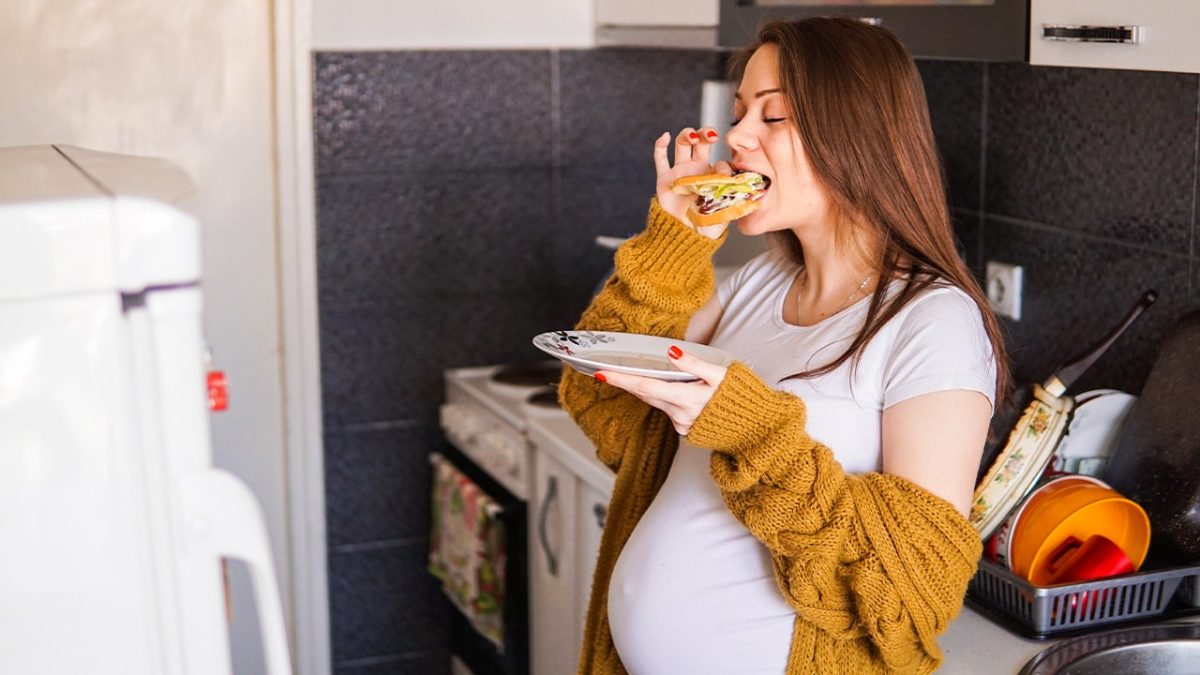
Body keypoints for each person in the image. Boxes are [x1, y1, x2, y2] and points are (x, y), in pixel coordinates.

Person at [559, 16, 1012, 675]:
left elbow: (919, 590)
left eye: (772, 118)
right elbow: (604, 407)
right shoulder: (757, 284)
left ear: (853, 136)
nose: (737, 136)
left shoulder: (932, 323)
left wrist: (753, 430)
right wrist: (674, 242)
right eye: (741, 113)